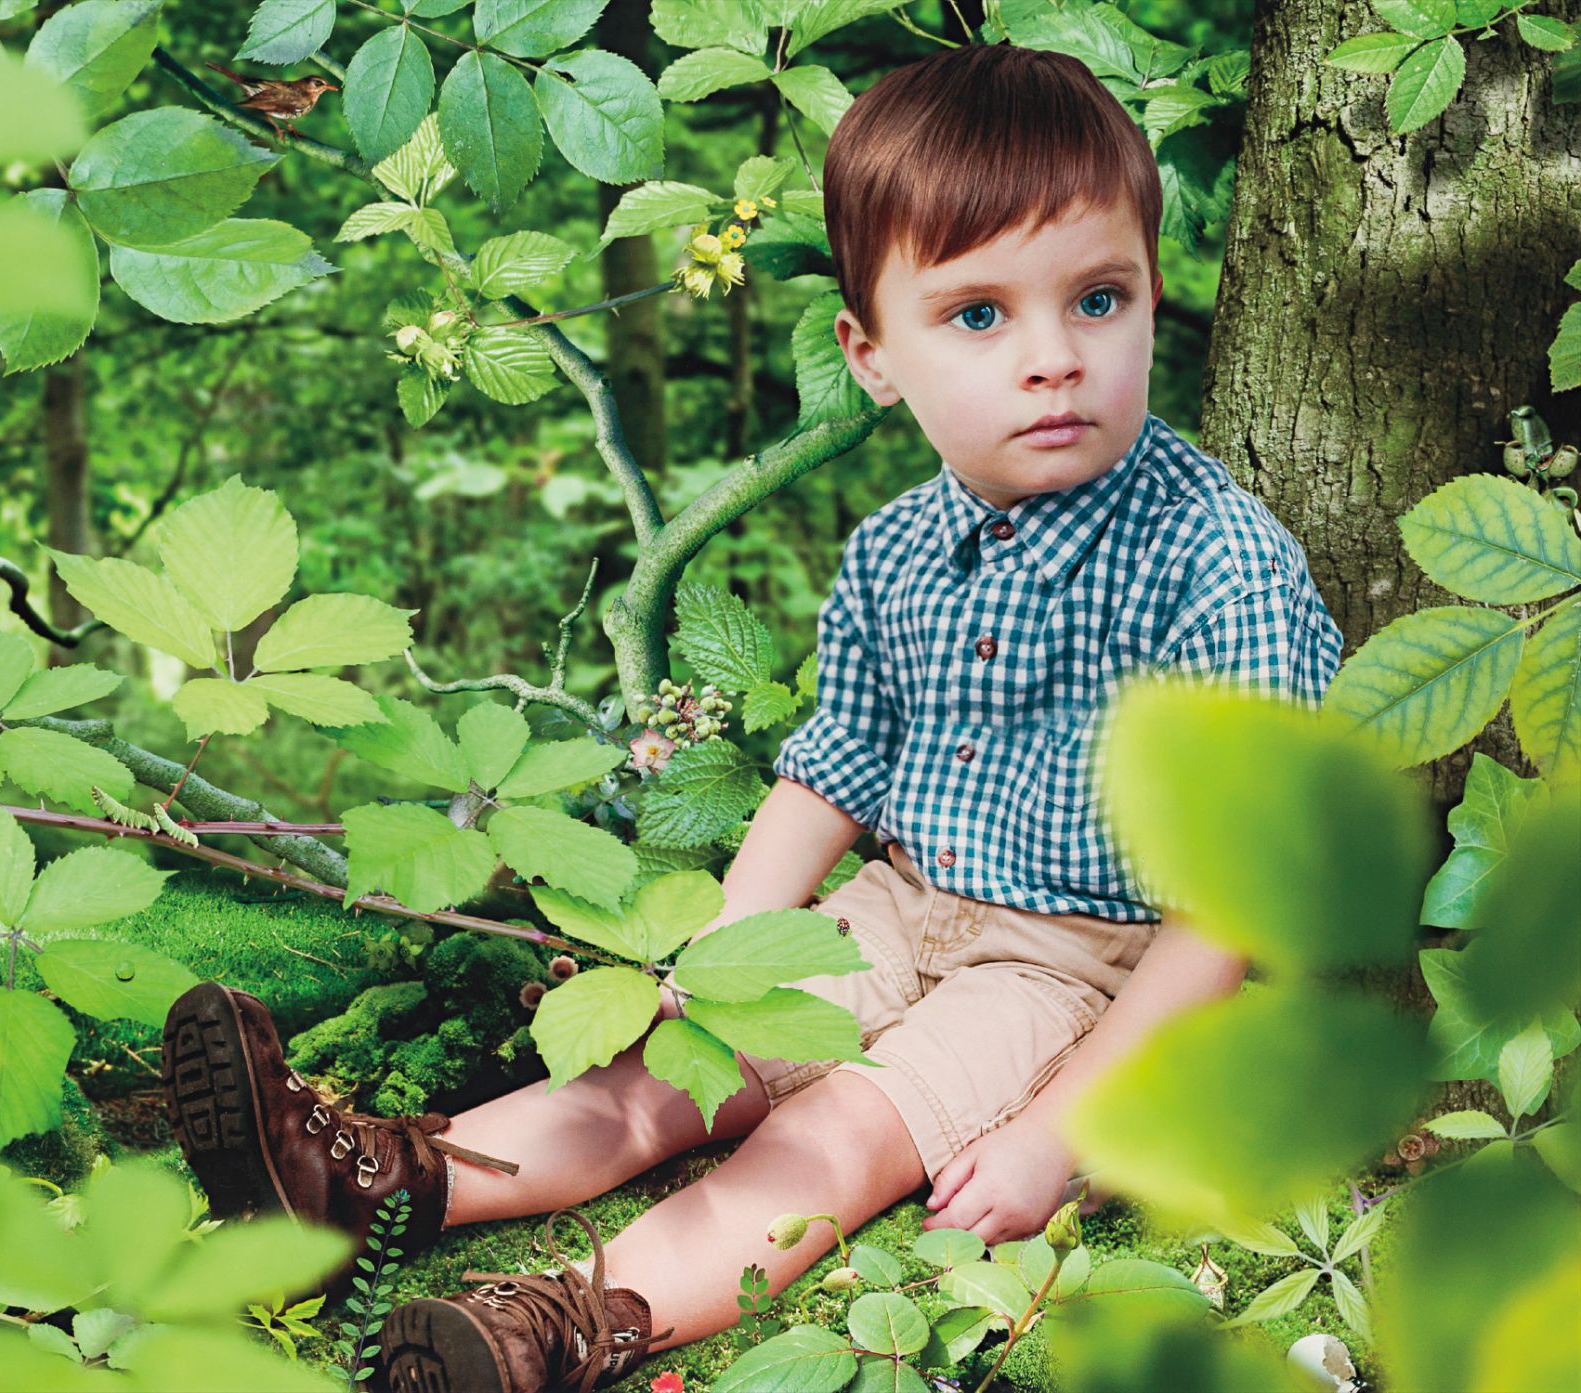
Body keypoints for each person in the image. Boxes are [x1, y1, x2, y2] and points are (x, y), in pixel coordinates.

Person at [162, 42, 1345, 1393]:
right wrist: (707, 971)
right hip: (899, 905)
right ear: (873, 355)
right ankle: (373, 1181)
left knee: (835, 1133)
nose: (1052, 360)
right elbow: (830, 775)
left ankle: (562, 1325)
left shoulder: (1219, 571)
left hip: (1075, 967)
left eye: (1098, 299)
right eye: (978, 315)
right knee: (667, 1072)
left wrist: (1055, 1135)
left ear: (1148, 296)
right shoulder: (900, 549)